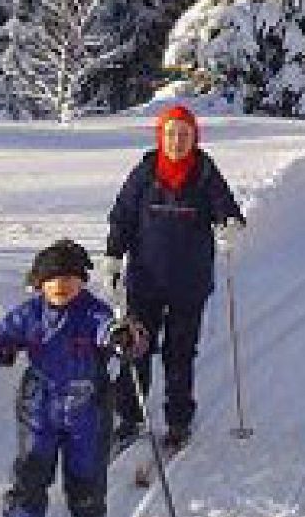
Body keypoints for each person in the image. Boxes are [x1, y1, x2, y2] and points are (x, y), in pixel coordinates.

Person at [0, 239, 147, 517]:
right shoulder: (30, 313)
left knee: (86, 479)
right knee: (29, 476)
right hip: (39, 409)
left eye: (69, 279)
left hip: (87, 409)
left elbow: (112, 333)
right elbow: (2, 339)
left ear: (82, 281)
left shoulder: (94, 312)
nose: (61, 286)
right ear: (39, 283)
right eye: (53, 280)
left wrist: (124, 338)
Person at [103, 104, 245, 454]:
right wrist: (112, 256)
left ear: (194, 137)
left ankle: (178, 421)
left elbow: (225, 207)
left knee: (179, 353)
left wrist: (230, 225)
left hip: (188, 283)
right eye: (171, 134)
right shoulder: (146, 171)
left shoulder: (205, 171)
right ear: (160, 136)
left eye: (184, 134)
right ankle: (130, 418)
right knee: (136, 350)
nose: (177, 141)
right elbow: (122, 216)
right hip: (144, 280)